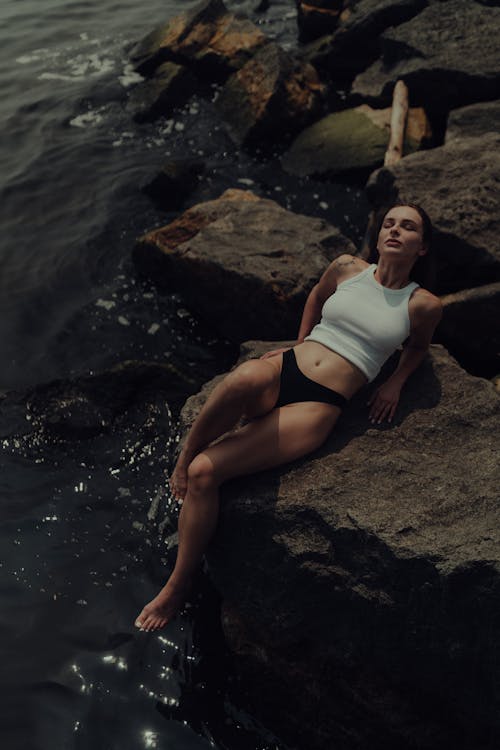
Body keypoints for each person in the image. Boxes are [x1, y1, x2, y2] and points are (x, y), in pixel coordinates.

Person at [135, 203, 442, 632]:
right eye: (389, 223)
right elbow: (317, 298)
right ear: (378, 236)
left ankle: (177, 584)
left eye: (407, 227)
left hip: (318, 405)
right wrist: (298, 345)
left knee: (207, 474)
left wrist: (396, 382)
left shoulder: (422, 304)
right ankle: (184, 455)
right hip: (288, 370)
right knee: (244, 377)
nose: (395, 231)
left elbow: (417, 347)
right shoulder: (346, 268)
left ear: (422, 247)